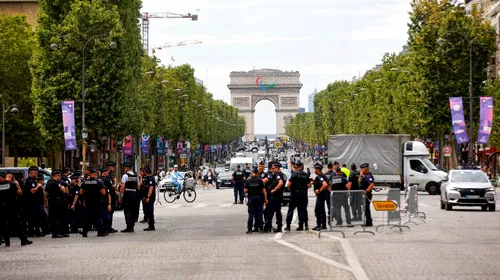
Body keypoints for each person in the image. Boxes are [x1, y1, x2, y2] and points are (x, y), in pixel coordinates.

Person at [0, 172, 32, 247]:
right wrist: (17, 183)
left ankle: (7, 242)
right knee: (17, 225)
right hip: (12, 208)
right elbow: (20, 193)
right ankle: (24, 240)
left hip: (2, 208)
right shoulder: (12, 184)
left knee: (4, 225)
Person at [80, 168, 107, 237]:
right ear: (95, 174)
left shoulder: (85, 182)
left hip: (88, 202)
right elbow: (104, 193)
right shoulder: (99, 182)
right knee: (98, 217)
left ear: (89, 174)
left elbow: (81, 192)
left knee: (87, 217)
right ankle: (100, 232)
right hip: (97, 202)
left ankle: (84, 232)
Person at [284, 161, 310, 232]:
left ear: (296, 166)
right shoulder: (305, 175)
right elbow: (308, 185)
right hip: (303, 195)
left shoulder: (294, 175)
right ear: (301, 166)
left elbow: (288, 185)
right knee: (302, 210)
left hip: (295, 195)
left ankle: (288, 226)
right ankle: (303, 225)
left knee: (291, 210)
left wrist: (291, 190)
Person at [45, 170, 69, 238]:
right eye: (59, 175)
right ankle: (55, 233)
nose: (60, 177)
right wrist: (46, 202)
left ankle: (61, 231)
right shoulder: (52, 182)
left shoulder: (57, 182)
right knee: (54, 218)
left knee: (60, 217)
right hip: (54, 202)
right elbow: (63, 190)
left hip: (59, 202)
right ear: (56, 175)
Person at [244, 167, 267, 234]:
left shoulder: (248, 180)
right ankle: (261, 228)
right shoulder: (260, 180)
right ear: (257, 173)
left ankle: (250, 229)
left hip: (251, 198)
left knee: (251, 214)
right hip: (259, 198)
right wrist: (265, 199)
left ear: (252, 172)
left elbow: (245, 190)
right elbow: (263, 190)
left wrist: (249, 190)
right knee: (259, 213)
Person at [264, 162, 285, 233]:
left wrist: (274, 190)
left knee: (271, 211)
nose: (273, 169)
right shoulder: (281, 174)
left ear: (277, 168)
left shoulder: (278, 174)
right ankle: (278, 226)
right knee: (277, 211)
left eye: (274, 168)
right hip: (278, 195)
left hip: (276, 195)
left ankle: (268, 227)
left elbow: (281, 183)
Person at [119, 163, 139, 233]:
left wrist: (120, 196)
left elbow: (122, 186)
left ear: (127, 168)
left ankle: (129, 227)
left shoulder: (125, 175)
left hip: (127, 193)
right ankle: (132, 226)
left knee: (127, 210)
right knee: (133, 210)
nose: (124, 170)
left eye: (125, 168)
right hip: (135, 194)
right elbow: (138, 187)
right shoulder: (136, 176)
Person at [312, 163, 328, 230]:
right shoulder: (320, 176)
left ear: (318, 169)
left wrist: (319, 190)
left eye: (315, 169)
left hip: (321, 195)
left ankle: (323, 225)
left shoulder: (320, 176)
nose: (314, 170)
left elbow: (325, 185)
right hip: (320, 196)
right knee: (317, 210)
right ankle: (319, 224)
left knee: (321, 210)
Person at [359, 163, 374, 227]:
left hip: (367, 194)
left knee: (366, 208)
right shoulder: (363, 175)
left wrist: (366, 191)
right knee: (365, 208)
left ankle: (369, 221)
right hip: (363, 194)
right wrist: (361, 175)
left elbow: (372, 184)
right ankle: (367, 220)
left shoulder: (369, 176)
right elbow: (359, 181)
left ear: (365, 169)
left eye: (362, 169)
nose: (361, 170)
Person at [99, 168, 113, 233]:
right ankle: (107, 228)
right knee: (107, 214)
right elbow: (112, 187)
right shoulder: (107, 180)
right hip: (106, 198)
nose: (108, 173)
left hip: (98, 199)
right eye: (107, 172)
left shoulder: (98, 179)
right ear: (104, 172)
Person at [141, 167, 156, 231]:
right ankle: (150, 224)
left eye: (144, 171)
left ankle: (151, 225)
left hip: (150, 198)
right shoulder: (146, 178)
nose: (143, 172)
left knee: (150, 211)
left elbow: (151, 188)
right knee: (147, 211)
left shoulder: (150, 179)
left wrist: (148, 197)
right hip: (146, 197)